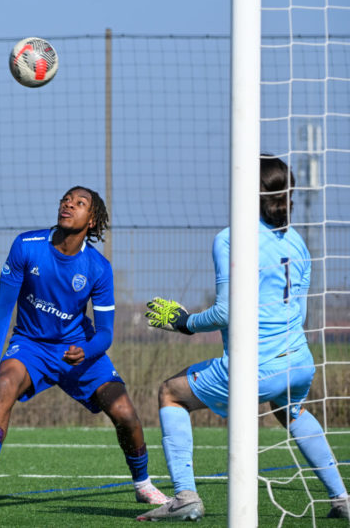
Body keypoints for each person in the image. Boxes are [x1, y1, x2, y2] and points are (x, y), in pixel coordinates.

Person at [139, 155, 349, 522]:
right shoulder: (297, 242)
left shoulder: (231, 238)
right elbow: (298, 314)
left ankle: (186, 496)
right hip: (298, 361)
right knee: (291, 411)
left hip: (257, 366)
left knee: (170, 393)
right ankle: (342, 498)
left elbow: (225, 312)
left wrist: (185, 322)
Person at [0, 186, 167, 508]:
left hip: (79, 350)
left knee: (125, 413)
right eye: (66, 200)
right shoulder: (26, 246)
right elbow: (1, 313)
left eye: (79, 203)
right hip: (30, 346)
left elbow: (106, 333)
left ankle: (143, 484)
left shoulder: (98, 268)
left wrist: (88, 350)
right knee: (3, 384)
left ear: (92, 219)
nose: (69, 205)